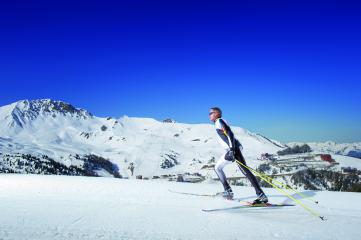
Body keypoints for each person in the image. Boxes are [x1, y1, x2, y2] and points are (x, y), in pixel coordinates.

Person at [209, 107, 268, 204]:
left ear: (217, 113)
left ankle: (261, 196)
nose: (209, 115)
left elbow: (230, 134)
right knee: (217, 168)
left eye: (211, 113)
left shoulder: (219, 121)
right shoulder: (218, 122)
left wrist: (232, 150)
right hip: (231, 149)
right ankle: (228, 191)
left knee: (245, 171)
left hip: (234, 149)